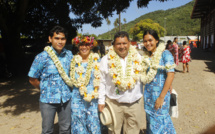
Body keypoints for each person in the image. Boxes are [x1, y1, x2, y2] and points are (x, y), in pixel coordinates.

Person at [28, 26, 73, 134]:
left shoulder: (69, 55)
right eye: (57, 38)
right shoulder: (42, 57)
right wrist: (44, 88)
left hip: (66, 99)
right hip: (48, 100)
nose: (60, 41)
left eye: (63, 39)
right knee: (47, 130)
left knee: (66, 129)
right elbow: (32, 78)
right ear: (50, 39)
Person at [98, 31, 144, 134]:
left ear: (129, 43)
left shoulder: (139, 58)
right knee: (114, 131)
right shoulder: (106, 60)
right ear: (113, 45)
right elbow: (102, 82)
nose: (122, 46)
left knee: (133, 131)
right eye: (118, 43)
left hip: (134, 104)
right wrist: (101, 101)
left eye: (124, 43)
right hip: (114, 103)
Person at [141, 30, 176, 134]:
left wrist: (161, 97)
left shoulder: (165, 54)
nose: (148, 43)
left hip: (161, 96)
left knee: (161, 120)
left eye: (150, 40)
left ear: (156, 40)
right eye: (145, 41)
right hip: (148, 96)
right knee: (151, 121)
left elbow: (171, 74)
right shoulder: (147, 56)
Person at [70, 36, 101, 134]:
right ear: (78, 46)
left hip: (93, 97)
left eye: (87, 45)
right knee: (78, 122)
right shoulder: (73, 61)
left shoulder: (97, 60)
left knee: (93, 122)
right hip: (77, 97)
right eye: (81, 45)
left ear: (91, 46)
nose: (84, 47)